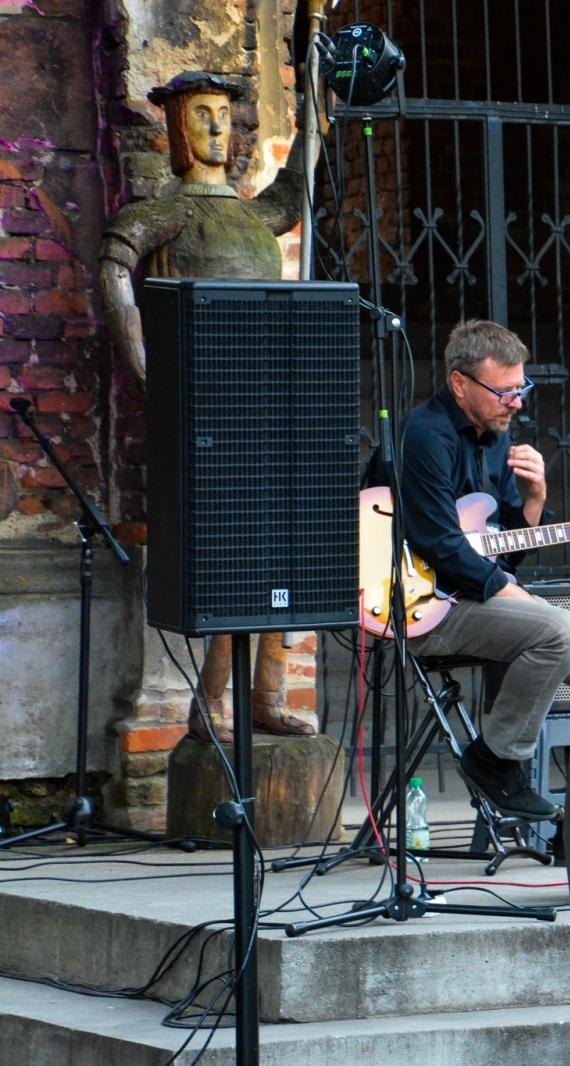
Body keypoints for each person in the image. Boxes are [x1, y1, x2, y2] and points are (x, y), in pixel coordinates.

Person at [99, 70, 310, 742]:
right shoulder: (167, 213)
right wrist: (143, 365)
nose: (217, 128)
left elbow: (296, 192)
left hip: (267, 406)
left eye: (224, 115)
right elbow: (112, 270)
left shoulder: (254, 216)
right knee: (230, 560)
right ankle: (210, 704)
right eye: (202, 117)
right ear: (177, 131)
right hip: (205, 415)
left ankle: (266, 694)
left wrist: (318, 115)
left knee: (286, 554)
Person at [397, 319, 570, 820]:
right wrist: (506, 592)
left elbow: (504, 554)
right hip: (422, 606)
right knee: (557, 630)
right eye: (505, 391)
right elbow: (439, 543)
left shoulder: (496, 441)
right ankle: (497, 760)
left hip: (476, 596)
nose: (517, 402)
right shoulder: (424, 437)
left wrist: (535, 499)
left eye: (522, 389)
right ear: (459, 383)